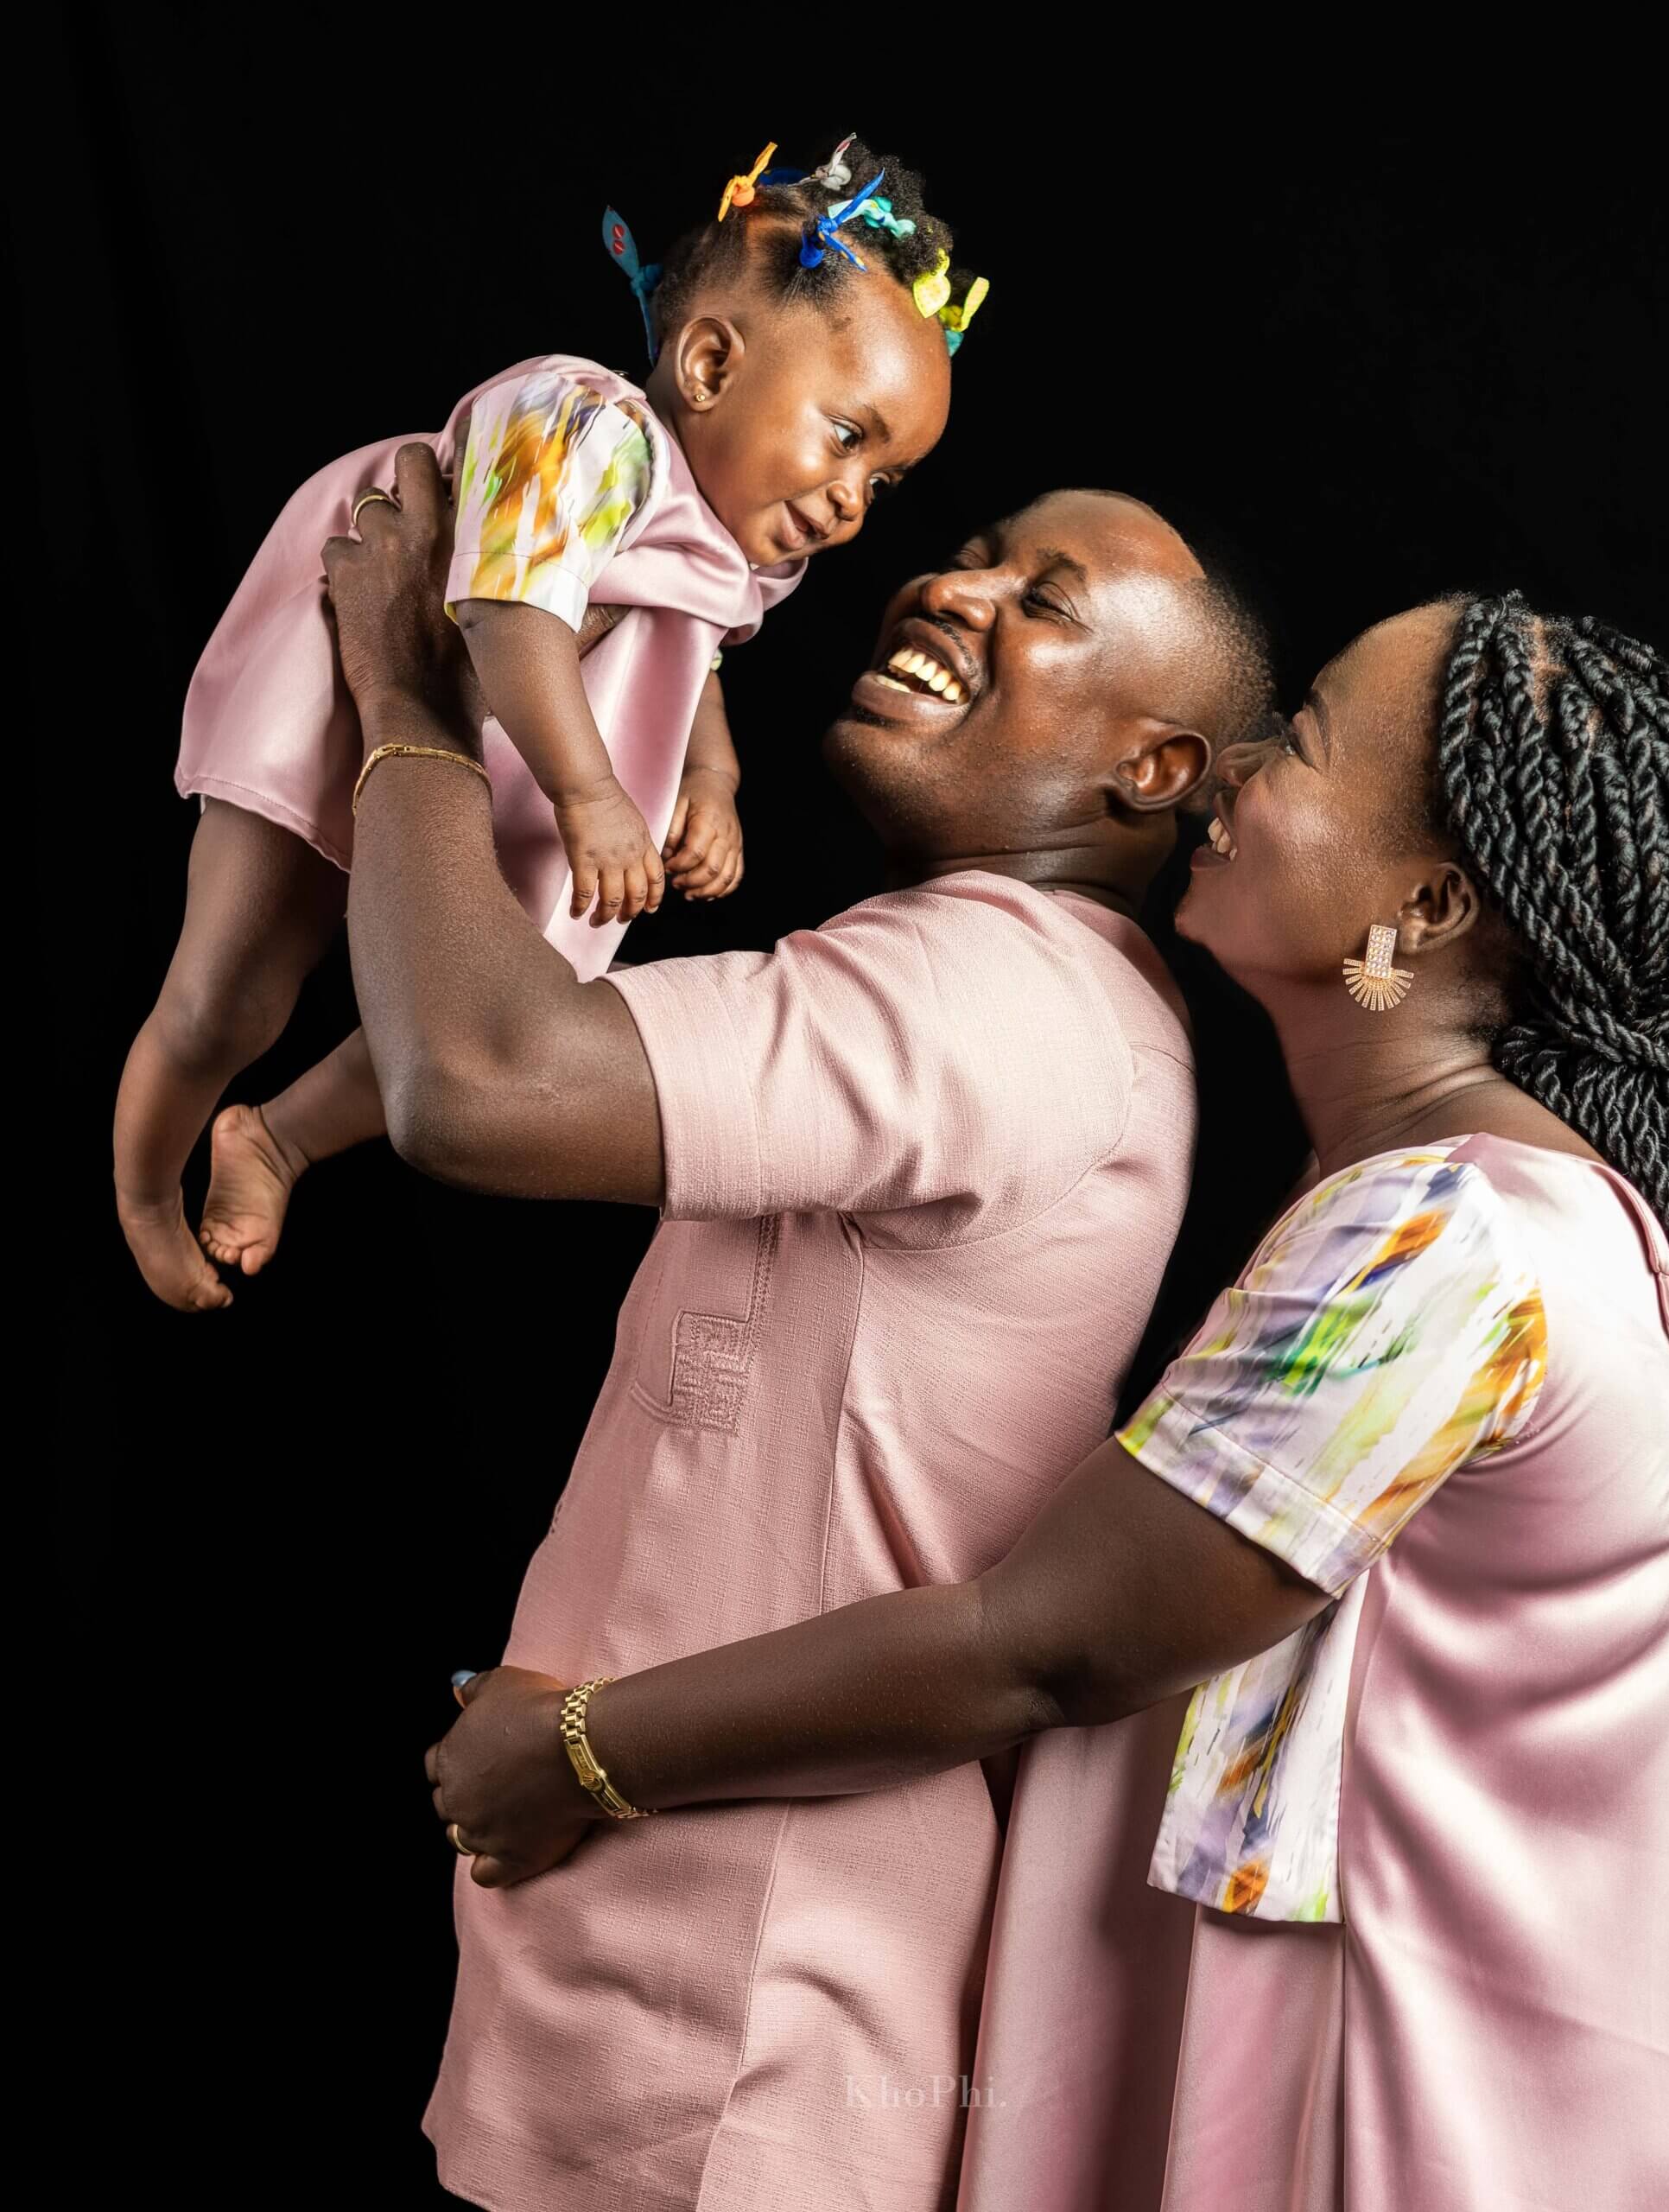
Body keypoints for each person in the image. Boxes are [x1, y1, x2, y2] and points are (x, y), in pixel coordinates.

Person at [427, 596, 1669, 2209]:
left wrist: (577, 1755)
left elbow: (1042, 1646)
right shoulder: (1477, 1211)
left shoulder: (1444, 1245)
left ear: (1428, 905)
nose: (1234, 768)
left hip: (1441, 2137)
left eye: (1301, 742)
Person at [320, 445, 1273, 2211]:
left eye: (1043, 604)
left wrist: (411, 697)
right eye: (975, 553)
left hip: (729, 2043)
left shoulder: (997, 991)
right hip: (659, 2002)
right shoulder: (1005, 977)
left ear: (1152, 770)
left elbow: (475, 1081)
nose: (950, 588)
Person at [113, 134, 976, 1312]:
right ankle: (143, 1193)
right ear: (710, 364)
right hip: (346, 682)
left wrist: (711, 781)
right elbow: (506, 604)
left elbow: (696, 650)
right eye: (847, 436)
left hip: (490, 758)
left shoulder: (742, 549)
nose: (851, 500)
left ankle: (277, 1137)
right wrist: (590, 793)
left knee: (497, 994)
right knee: (232, 990)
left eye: (882, 480)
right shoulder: (580, 424)